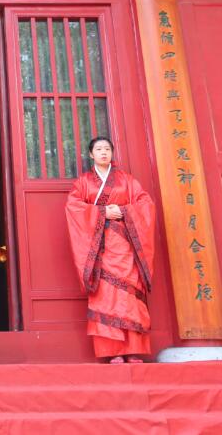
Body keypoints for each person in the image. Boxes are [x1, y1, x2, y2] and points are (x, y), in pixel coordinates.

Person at [65, 136, 156, 363]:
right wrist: (102, 212)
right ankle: (113, 351)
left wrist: (124, 211)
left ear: (112, 153)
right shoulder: (83, 182)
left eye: (107, 149)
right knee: (107, 296)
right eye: (98, 149)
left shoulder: (127, 180)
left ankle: (132, 350)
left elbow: (145, 203)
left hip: (125, 246)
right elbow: (73, 207)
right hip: (100, 247)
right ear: (91, 154)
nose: (103, 152)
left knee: (129, 295)